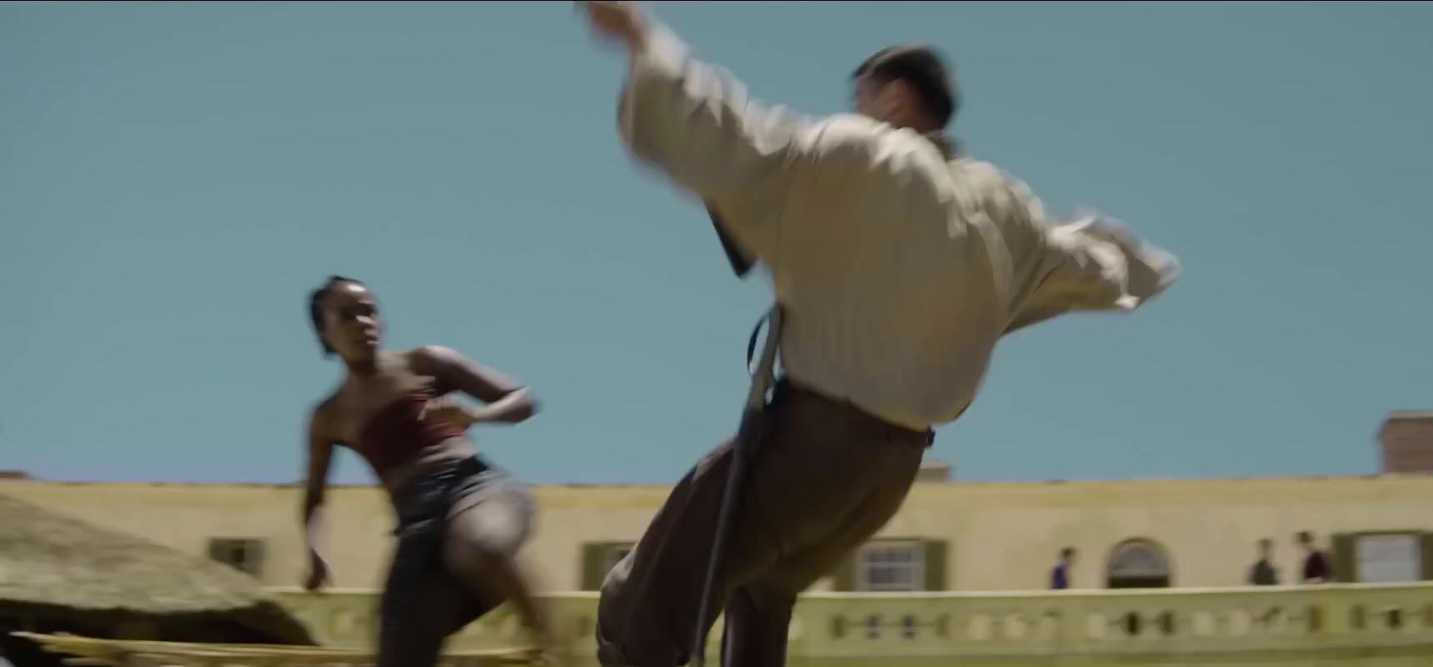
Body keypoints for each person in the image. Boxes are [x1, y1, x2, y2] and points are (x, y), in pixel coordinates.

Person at [576, 3, 1181, 666]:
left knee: (642, 606)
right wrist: (1143, 266)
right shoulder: (1005, 206)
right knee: (760, 591)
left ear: (893, 97)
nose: (857, 109)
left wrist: (643, 38)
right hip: (886, 477)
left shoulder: (869, 157)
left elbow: (735, 140)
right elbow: (1092, 265)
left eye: (861, 96)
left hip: (812, 447)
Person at [298, 276, 557, 667]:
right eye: (347, 315)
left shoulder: (426, 362)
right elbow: (315, 498)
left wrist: (476, 415)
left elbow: (522, 399)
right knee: (397, 649)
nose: (363, 323)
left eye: (369, 311)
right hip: (416, 528)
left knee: (478, 545)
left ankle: (552, 645)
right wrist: (314, 549)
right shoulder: (328, 417)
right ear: (324, 331)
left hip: (476, 488)